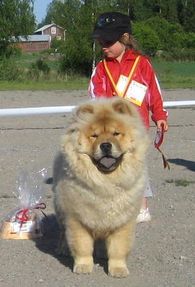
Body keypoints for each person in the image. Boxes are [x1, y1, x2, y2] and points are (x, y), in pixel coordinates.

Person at [88, 11, 168, 223]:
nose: (103, 46)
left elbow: (154, 91)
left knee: (135, 166)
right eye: (100, 41)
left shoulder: (142, 64)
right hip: (112, 131)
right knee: (110, 164)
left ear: (124, 38)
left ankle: (141, 208)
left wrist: (160, 115)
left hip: (137, 129)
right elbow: (95, 95)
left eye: (108, 41)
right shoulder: (101, 68)